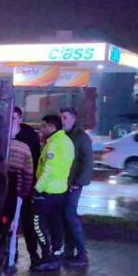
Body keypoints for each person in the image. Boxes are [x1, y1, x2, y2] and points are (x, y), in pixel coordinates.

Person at [29, 114, 74, 272]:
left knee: (37, 224)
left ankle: (47, 255)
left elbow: (49, 170)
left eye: (43, 126)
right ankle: (56, 253)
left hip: (47, 191)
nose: (41, 129)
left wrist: (37, 189)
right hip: (60, 191)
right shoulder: (67, 141)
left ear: (52, 127)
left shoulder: (54, 144)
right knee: (56, 224)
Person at [60, 107, 93, 267]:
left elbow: (87, 162)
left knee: (70, 217)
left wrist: (78, 182)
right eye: (61, 117)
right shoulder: (63, 136)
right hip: (63, 184)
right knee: (66, 218)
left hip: (73, 184)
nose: (62, 121)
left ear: (73, 119)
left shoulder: (81, 137)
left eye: (65, 118)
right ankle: (69, 251)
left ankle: (82, 254)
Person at [5, 107, 35, 270]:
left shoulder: (21, 145)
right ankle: (9, 260)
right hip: (10, 193)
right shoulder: (23, 147)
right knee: (12, 226)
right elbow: (28, 173)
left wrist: (22, 194)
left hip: (12, 193)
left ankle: (9, 259)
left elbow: (28, 173)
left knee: (11, 226)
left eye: (14, 118)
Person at [12, 108, 42, 262]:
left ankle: (33, 254)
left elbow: (34, 161)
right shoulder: (4, 134)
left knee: (28, 220)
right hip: (9, 187)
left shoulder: (28, 135)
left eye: (14, 118)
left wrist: (31, 185)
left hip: (25, 185)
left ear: (20, 118)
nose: (11, 121)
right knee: (10, 222)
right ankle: (12, 252)